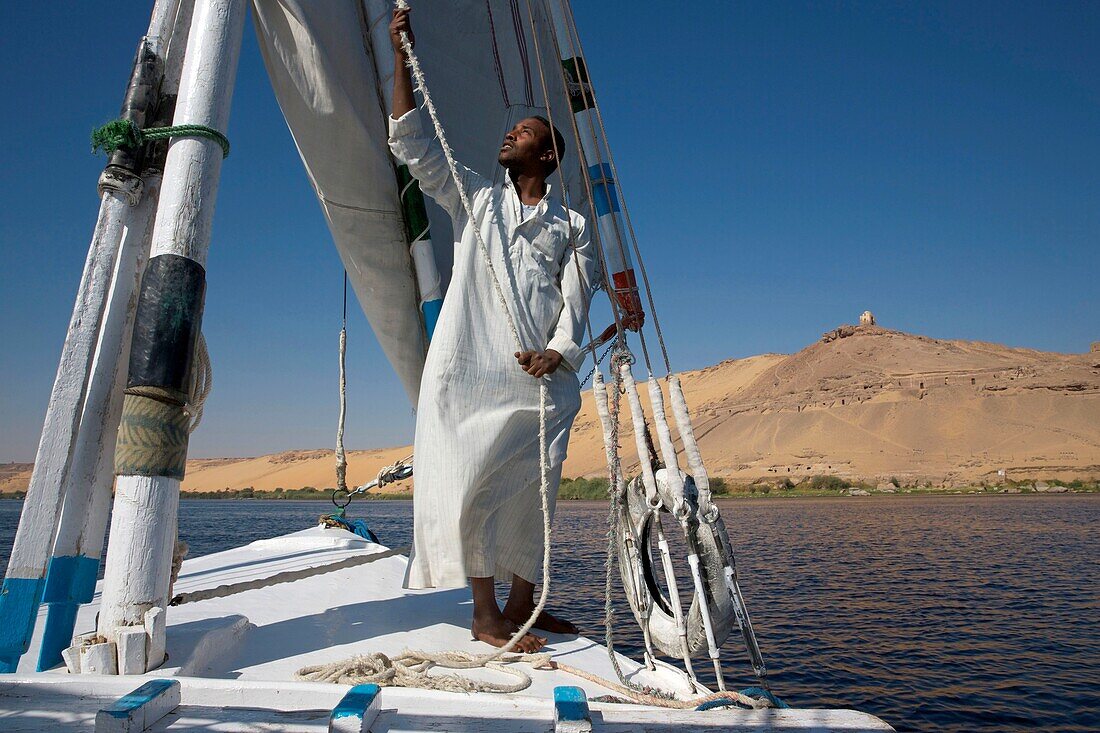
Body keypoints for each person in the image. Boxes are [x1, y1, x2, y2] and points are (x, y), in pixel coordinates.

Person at [388, 7, 594, 652]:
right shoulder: (475, 198)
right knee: (471, 486)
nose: (509, 135)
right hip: (472, 376)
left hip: (542, 383)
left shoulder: (573, 225)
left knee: (536, 493)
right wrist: (402, 57)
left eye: (524, 131)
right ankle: (485, 615)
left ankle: (524, 606)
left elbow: (576, 302)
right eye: (511, 130)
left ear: (548, 152)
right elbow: (412, 142)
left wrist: (558, 353)